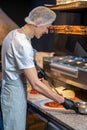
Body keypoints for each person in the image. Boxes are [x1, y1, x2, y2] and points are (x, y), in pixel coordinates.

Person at [1, 6, 78, 130]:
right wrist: (63, 101)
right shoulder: (22, 43)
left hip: (10, 90)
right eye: (47, 27)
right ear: (37, 22)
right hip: (14, 95)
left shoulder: (14, 34)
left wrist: (36, 71)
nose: (47, 31)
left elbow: (17, 65)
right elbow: (35, 84)